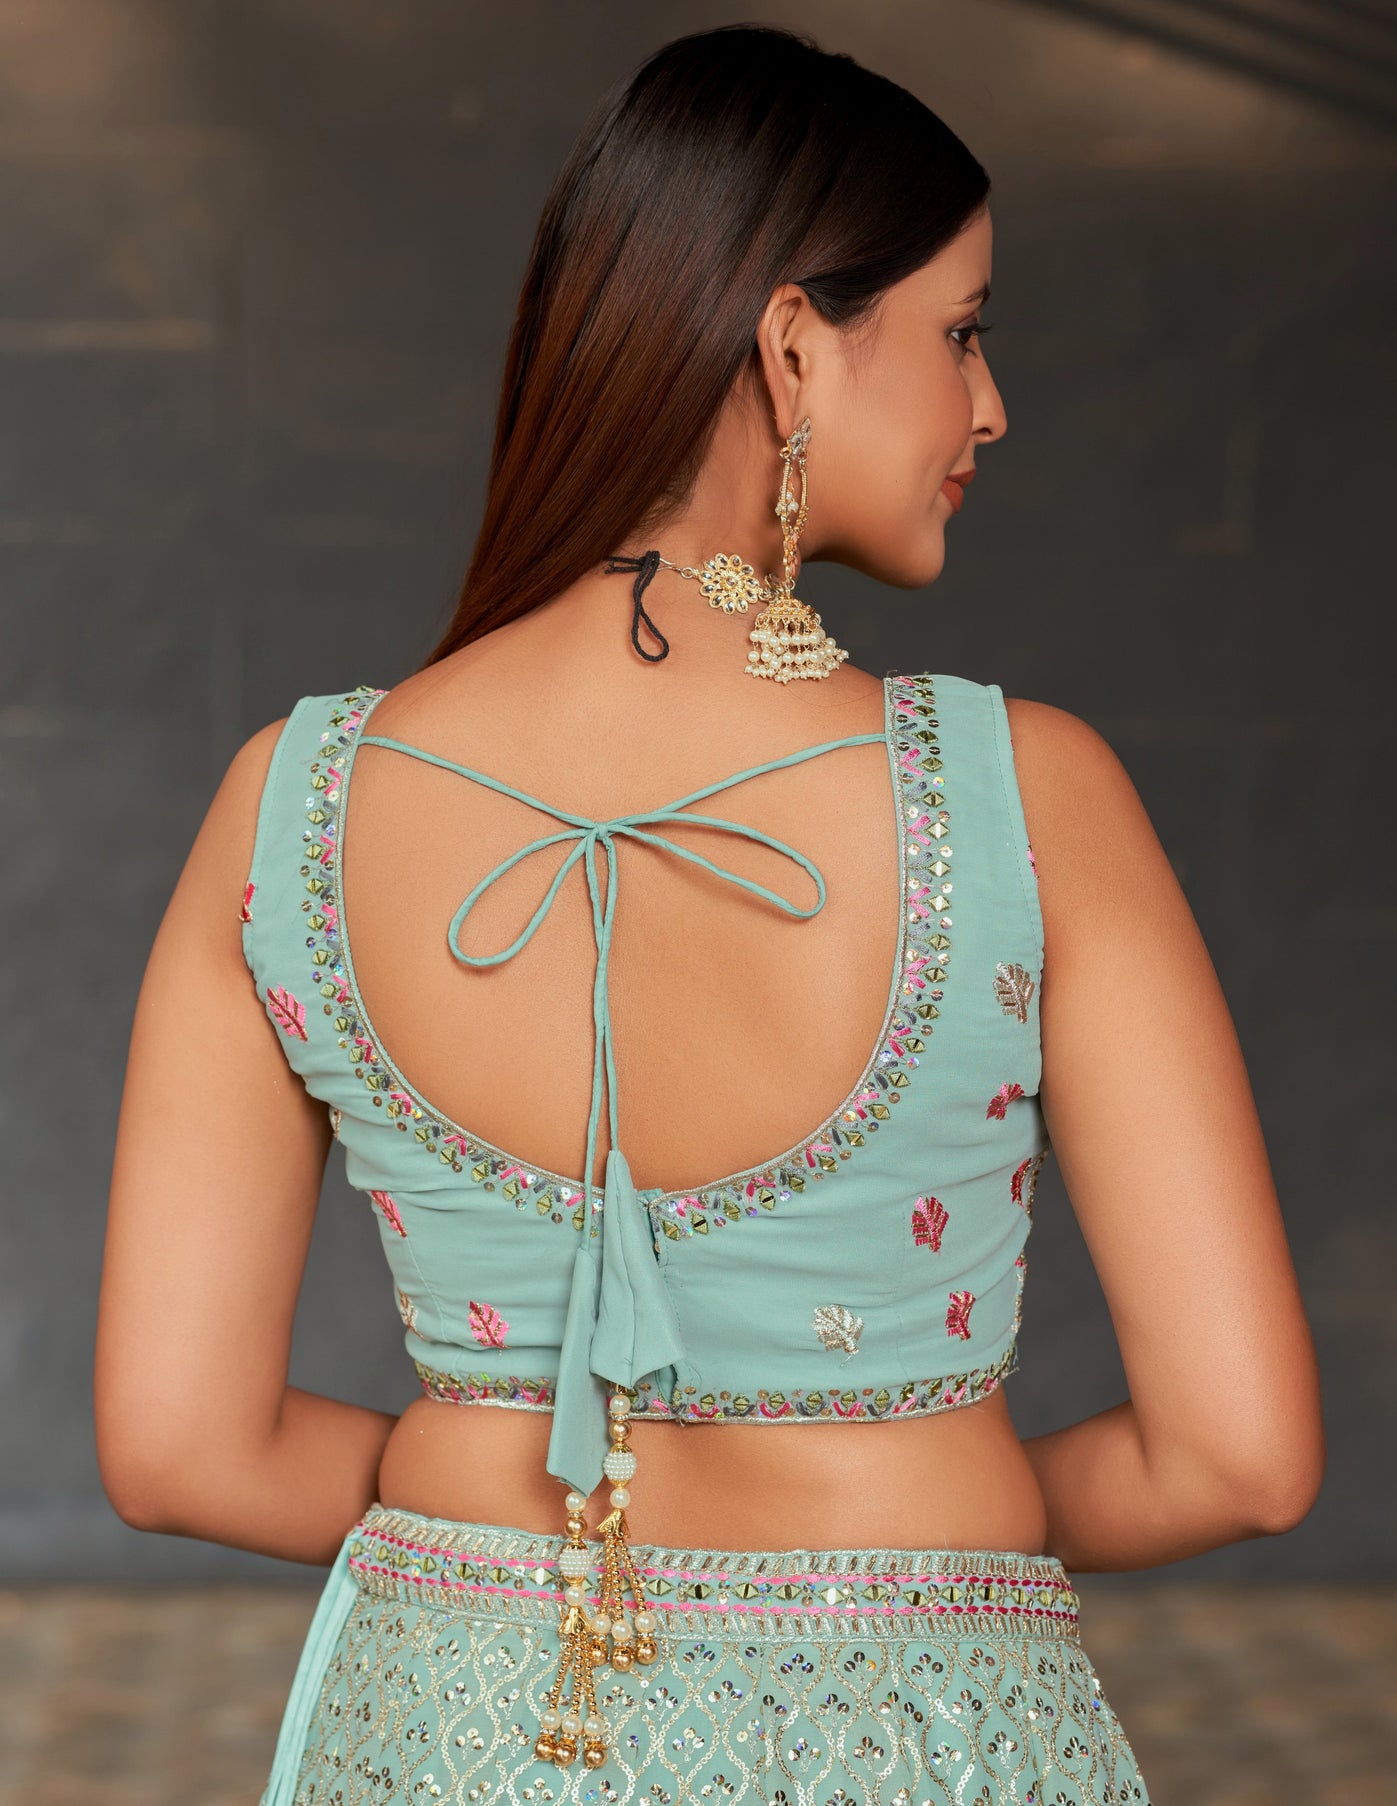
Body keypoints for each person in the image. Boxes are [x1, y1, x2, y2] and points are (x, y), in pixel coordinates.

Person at [94, 23, 1325, 1805]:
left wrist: (509, 1484)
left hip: (448, 1721)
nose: (991, 404)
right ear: (792, 339)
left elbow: (177, 1453)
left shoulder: (288, 804)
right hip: (907, 1720)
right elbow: (1239, 1458)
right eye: (964, 328)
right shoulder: (1023, 794)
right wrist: (926, 1492)